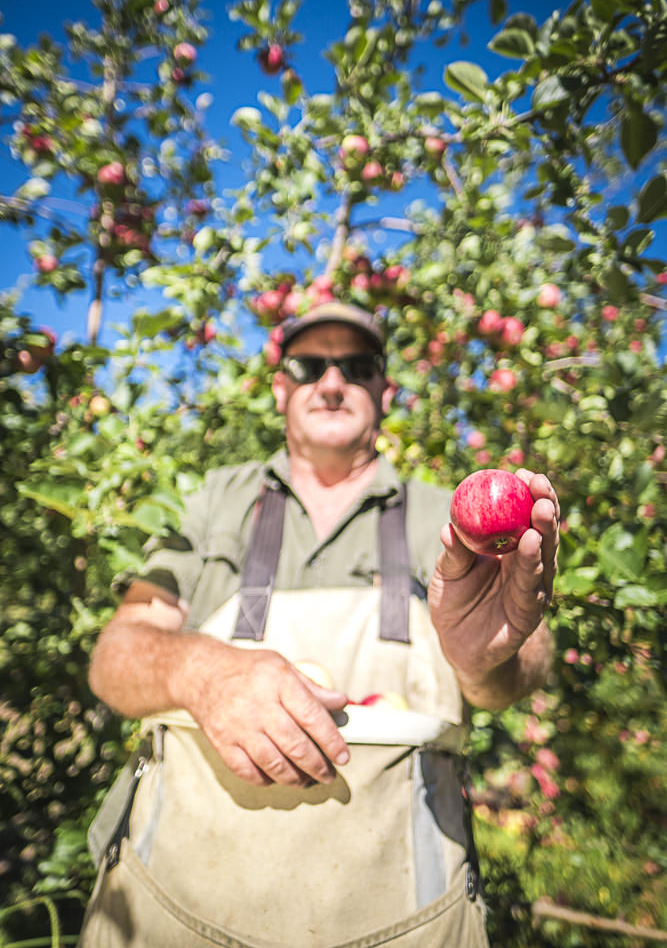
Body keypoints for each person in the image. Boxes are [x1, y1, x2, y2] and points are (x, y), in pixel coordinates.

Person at [78, 301, 559, 948]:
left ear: (383, 391)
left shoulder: (442, 519)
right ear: (281, 389)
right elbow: (116, 657)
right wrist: (200, 670)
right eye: (309, 366)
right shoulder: (215, 501)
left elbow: (517, 674)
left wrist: (488, 660)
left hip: (406, 924)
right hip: (170, 915)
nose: (331, 383)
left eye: (355, 367)